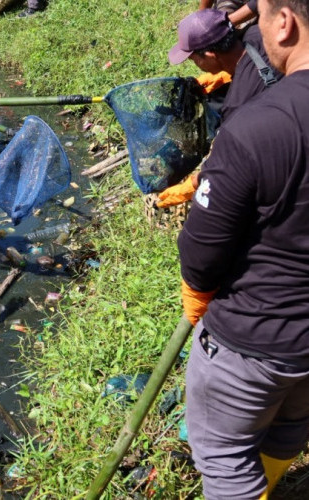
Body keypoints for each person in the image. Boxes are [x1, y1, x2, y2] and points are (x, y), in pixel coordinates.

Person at [177, 0, 309, 496]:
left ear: (284, 22)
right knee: (291, 422)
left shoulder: (254, 127)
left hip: (257, 336)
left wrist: (196, 290)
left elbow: (203, 250)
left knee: (226, 457)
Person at [157, 8, 279, 208]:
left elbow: (231, 162)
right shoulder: (258, 32)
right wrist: (227, 74)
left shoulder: (237, 106)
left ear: (211, 54)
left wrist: (192, 184)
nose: (194, 63)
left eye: (193, 58)